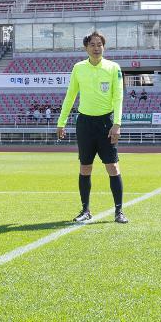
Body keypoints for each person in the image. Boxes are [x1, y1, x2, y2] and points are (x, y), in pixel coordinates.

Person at [57, 31, 127, 224]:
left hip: (106, 123)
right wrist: (61, 122)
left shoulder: (113, 68)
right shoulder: (78, 68)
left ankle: (119, 211)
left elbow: (118, 97)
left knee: (112, 166)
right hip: (85, 123)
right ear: (86, 48)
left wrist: (117, 124)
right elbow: (70, 96)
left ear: (103, 47)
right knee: (85, 167)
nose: (96, 48)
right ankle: (85, 210)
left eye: (100, 44)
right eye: (93, 45)